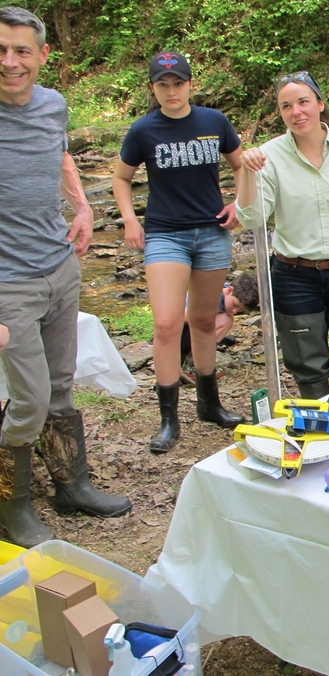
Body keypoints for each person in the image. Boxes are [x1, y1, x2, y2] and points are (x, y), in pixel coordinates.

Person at [0, 6, 132, 547]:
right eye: (0, 50)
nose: (10, 62)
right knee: (28, 397)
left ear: (43, 55)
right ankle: (13, 506)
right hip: (8, 284)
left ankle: (71, 485)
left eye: (21, 51)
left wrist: (80, 207)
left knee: (59, 385)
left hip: (59, 264)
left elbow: (58, 157)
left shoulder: (53, 105)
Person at [113, 51, 246, 453]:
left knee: (205, 320)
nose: (172, 91)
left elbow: (240, 164)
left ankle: (209, 404)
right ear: (153, 88)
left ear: (190, 84)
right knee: (168, 323)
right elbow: (121, 178)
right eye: (163, 84)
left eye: (178, 83)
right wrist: (130, 220)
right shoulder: (143, 130)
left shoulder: (213, 121)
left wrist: (238, 204)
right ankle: (168, 418)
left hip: (211, 232)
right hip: (165, 234)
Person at [236, 71, 329, 399]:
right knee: (307, 364)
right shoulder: (269, 156)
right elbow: (252, 218)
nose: (296, 112)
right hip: (294, 275)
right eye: (286, 106)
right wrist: (247, 174)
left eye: (303, 102)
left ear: (320, 104)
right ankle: (321, 433)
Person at [180, 272, 260, 363]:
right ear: (229, 290)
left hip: (186, 332)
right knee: (226, 320)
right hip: (175, 330)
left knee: (228, 319)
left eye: (240, 310)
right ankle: (197, 358)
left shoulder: (221, 290)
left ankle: (197, 355)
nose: (234, 311)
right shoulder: (211, 297)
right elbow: (181, 315)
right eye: (234, 305)